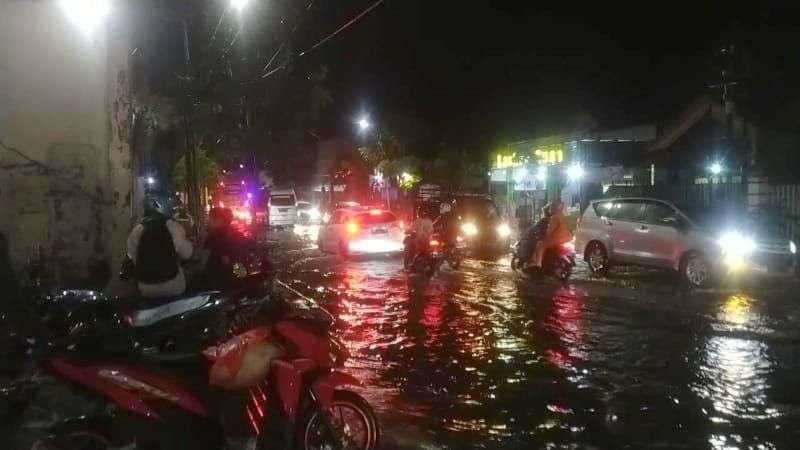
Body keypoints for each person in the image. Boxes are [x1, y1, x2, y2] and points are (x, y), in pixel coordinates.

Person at [126, 197, 193, 299]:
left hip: (146, 287)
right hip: (174, 286)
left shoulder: (137, 231)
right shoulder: (174, 227)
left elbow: (133, 257)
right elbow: (187, 254)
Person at [198, 207, 255, 289]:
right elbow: (249, 249)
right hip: (236, 278)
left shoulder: (213, 237)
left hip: (218, 281)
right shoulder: (237, 234)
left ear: (220, 220)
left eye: (211, 219)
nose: (208, 222)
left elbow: (203, 262)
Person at [530, 200, 572, 268]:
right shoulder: (562, 215)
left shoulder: (554, 217)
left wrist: (545, 235)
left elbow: (549, 231)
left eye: (551, 208)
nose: (550, 210)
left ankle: (538, 263)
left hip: (557, 239)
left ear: (554, 208)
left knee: (540, 245)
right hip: (567, 237)